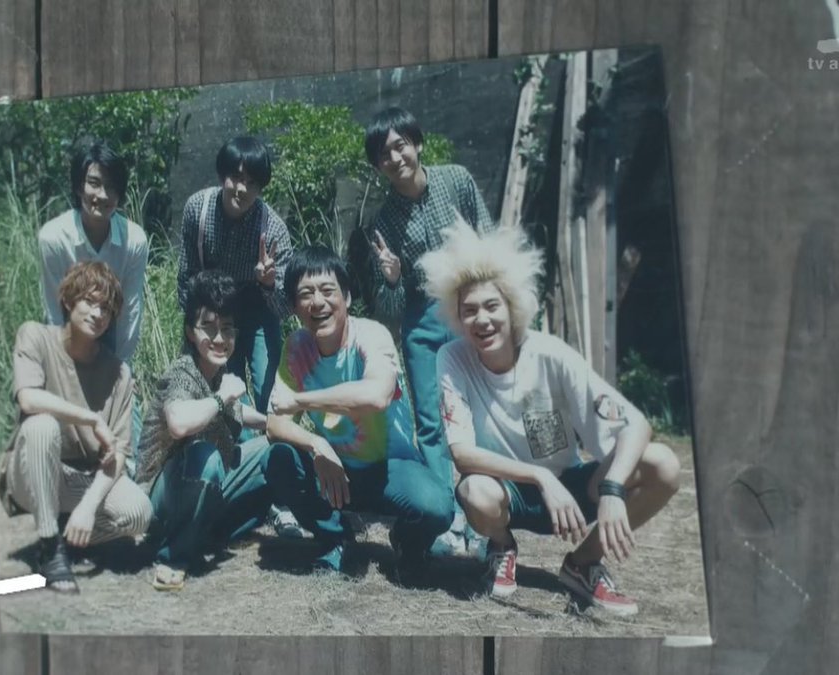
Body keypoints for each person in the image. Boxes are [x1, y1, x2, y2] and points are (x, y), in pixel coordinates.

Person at [419, 219, 681, 615]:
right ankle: (501, 546)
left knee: (663, 465)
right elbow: (462, 454)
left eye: (492, 306)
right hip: (508, 492)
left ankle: (583, 563)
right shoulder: (452, 358)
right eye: (469, 311)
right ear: (457, 317)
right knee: (474, 491)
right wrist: (539, 477)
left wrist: (612, 490)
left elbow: (636, 423)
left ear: (512, 306)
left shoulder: (550, 353)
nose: (482, 320)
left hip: (571, 488)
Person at [261, 245, 454, 583]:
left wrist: (302, 400)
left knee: (438, 507)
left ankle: (407, 543)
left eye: (327, 290)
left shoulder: (371, 336)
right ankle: (335, 536)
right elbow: (274, 424)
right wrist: (317, 445)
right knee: (277, 459)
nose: (317, 302)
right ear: (294, 306)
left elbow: (375, 396)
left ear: (347, 297)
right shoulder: (296, 348)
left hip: (390, 468)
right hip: (336, 467)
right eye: (305, 294)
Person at [360, 106, 495, 555]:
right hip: (421, 321)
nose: (395, 158)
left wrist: (491, 307)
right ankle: (447, 519)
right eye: (383, 154)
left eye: (400, 146)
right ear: (377, 165)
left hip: (470, 309)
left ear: (418, 144)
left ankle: (482, 517)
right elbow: (391, 307)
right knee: (431, 422)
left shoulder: (457, 180)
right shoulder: (383, 223)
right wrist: (393, 277)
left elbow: (488, 237)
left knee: (478, 414)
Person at [0, 261, 154, 594]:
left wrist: (87, 507)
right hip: (32, 471)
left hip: (80, 477)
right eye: (89, 301)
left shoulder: (119, 373)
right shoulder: (35, 336)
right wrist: (90, 418)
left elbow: (118, 453)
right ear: (68, 301)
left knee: (139, 513)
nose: (97, 314)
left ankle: (66, 532)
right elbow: (28, 398)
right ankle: (49, 545)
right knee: (42, 426)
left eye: (106, 309)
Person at [177, 136, 305, 539]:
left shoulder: (274, 228)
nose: (241, 188)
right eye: (236, 177)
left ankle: (280, 495)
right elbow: (186, 277)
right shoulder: (198, 210)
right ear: (223, 176)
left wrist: (268, 283)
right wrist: (196, 333)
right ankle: (235, 484)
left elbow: (285, 308)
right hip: (217, 309)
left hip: (260, 307)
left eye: (252, 182)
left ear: (261, 187)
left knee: (270, 395)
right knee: (224, 396)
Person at [134, 270, 273, 591]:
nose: (220, 338)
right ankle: (173, 556)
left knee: (271, 447)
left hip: (196, 489)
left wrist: (273, 423)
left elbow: (239, 413)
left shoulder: (217, 373)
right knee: (206, 456)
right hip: (159, 499)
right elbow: (180, 423)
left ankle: (210, 532)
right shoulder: (182, 373)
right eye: (208, 327)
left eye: (227, 328)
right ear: (190, 332)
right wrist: (222, 397)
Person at [37, 138, 149, 478]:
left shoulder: (134, 239)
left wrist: (120, 372)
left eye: (111, 187)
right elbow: (53, 308)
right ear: (78, 186)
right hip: (68, 333)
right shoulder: (53, 237)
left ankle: (130, 471)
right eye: (94, 183)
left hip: (110, 331)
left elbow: (130, 310)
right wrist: (65, 369)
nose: (101, 195)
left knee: (125, 429)